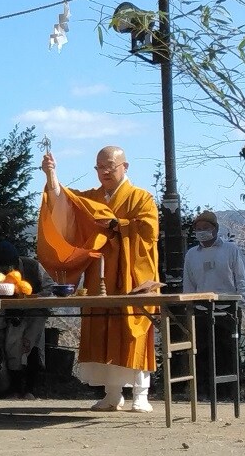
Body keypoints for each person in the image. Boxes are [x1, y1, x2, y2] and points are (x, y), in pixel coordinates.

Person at [38, 146, 160, 412]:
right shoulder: (93, 198)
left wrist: (117, 225)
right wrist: (51, 174)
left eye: (109, 167)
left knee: (132, 330)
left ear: (124, 167)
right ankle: (112, 393)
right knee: (101, 328)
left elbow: (150, 231)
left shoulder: (141, 197)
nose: (104, 172)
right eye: (99, 167)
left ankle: (141, 393)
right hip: (100, 273)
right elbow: (66, 205)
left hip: (132, 275)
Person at [183, 209, 245, 398]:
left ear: (215, 229)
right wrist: (190, 306)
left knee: (227, 350)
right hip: (201, 309)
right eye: (198, 228)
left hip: (227, 308)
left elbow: (242, 280)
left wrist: (239, 303)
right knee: (202, 352)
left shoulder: (231, 250)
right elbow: (188, 284)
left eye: (205, 228)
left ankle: (229, 392)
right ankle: (204, 392)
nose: (201, 232)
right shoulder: (191, 254)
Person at [0, 240, 55, 399]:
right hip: (13, 315)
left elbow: (50, 287)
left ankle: (31, 390)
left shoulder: (33, 266)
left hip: (35, 312)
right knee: (12, 348)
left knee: (33, 348)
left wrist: (34, 298)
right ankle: (15, 389)